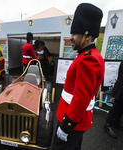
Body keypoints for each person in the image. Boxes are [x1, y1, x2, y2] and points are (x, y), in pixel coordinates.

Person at [52, 3, 104, 150]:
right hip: (75, 118)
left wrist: (66, 126)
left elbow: (81, 99)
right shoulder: (88, 55)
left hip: (71, 120)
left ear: (87, 35)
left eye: (75, 33)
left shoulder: (88, 59)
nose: (71, 38)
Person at [103, 60, 123, 138]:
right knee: (116, 107)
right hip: (121, 88)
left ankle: (116, 122)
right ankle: (107, 125)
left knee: (121, 108)